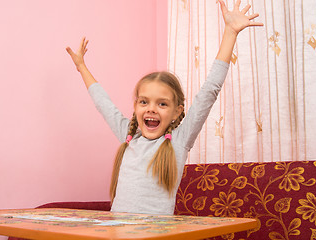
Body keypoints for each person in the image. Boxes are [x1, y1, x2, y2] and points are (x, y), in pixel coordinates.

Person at [66, 0, 263, 215]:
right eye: (144, 102)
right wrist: (82, 67)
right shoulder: (128, 135)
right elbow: (103, 103)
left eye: (162, 104)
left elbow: (209, 91)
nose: (151, 109)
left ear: (177, 111)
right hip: (119, 233)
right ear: (136, 106)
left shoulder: (180, 140)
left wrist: (230, 33)